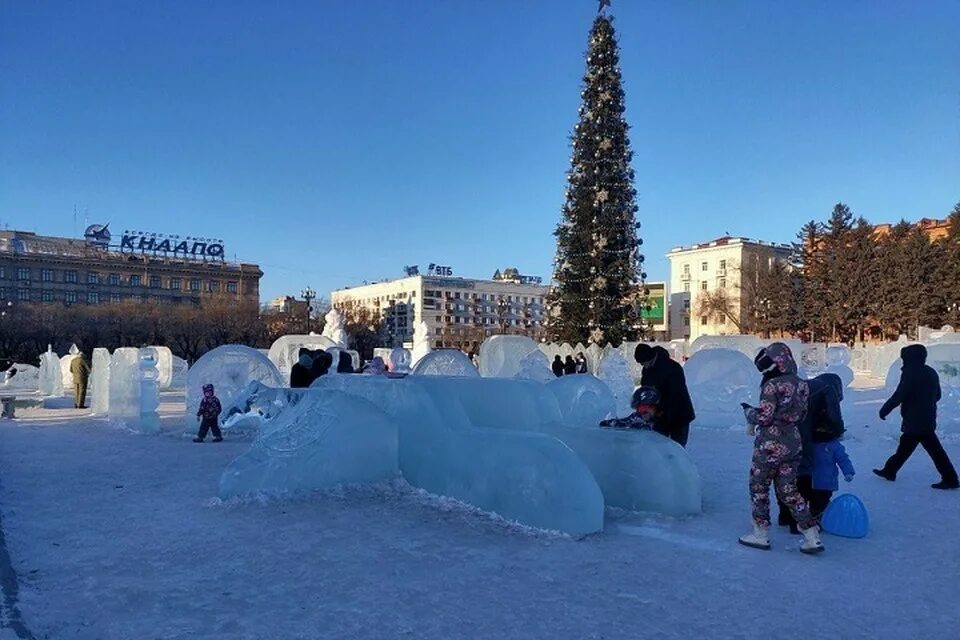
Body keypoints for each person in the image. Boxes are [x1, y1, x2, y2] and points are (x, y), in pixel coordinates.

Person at [739, 343, 823, 554]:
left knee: (758, 487)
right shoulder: (802, 384)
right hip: (793, 442)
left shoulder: (772, 385)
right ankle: (812, 535)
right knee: (789, 491)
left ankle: (761, 534)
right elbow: (801, 415)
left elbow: (765, 417)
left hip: (770, 445)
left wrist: (749, 413)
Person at [873, 344, 959, 490]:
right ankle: (890, 470)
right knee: (910, 447)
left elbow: (900, 394)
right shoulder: (931, 372)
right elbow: (937, 395)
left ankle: (950, 478)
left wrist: (885, 409)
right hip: (927, 417)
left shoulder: (910, 372)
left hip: (914, 419)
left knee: (924, 449)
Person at [777, 372, 844, 533]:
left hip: (782, 437)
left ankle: (785, 515)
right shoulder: (827, 390)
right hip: (804, 443)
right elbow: (834, 420)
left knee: (786, 478)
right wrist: (836, 431)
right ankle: (799, 520)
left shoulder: (803, 387)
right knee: (803, 481)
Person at [634, 344, 696, 447]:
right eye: (641, 364)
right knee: (659, 448)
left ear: (651, 357)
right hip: (659, 417)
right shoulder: (647, 370)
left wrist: (656, 410)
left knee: (677, 449)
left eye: (644, 362)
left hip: (679, 415)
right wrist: (641, 404)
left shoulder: (673, 368)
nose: (643, 366)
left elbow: (675, 396)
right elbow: (646, 390)